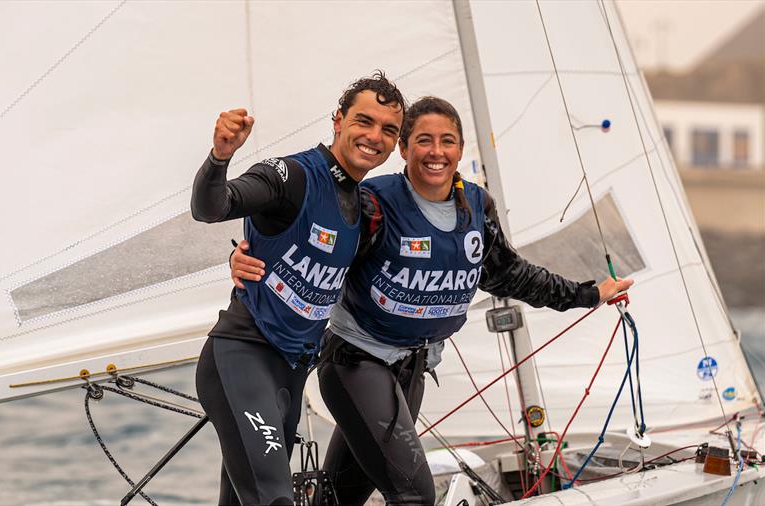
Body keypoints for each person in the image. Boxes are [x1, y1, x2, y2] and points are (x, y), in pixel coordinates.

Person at [231, 96, 632, 505]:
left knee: (338, 499)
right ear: (404, 149)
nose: (436, 152)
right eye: (423, 140)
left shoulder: (476, 206)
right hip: (356, 364)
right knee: (414, 495)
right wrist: (243, 256)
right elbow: (313, 245)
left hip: (413, 370)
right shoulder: (373, 205)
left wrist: (586, 294)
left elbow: (509, 273)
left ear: (460, 149)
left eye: (448, 141)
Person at [191, 71, 405, 505]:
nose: (374, 137)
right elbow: (210, 207)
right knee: (274, 498)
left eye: (388, 129)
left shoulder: (364, 207)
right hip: (242, 356)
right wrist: (219, 157)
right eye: (364, 121)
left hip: (291, 372)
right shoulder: (292, 176)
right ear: (338, 120)